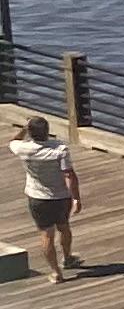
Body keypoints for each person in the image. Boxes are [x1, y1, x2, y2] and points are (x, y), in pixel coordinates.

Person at [9, 115, 73, 282]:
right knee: (64, 227)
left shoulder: (23, 149)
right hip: (60, 197)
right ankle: (67, 258)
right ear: (47, 131)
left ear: (30, 132)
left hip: (37, 197)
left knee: (46, 234)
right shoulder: (60, 149)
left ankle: (56, 272)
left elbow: (14, 140)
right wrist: (76, 197)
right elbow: (69, 175)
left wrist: (24, 128)